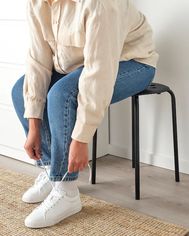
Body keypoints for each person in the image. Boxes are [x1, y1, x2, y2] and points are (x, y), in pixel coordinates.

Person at [11, 0, 158, 229]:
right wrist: (34, 127)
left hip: (131, 62)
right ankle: (52, 171)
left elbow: (99, 71)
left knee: (62, 94)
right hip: (77, 66)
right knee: (20, 90)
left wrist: (81, 139)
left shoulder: (101, 4)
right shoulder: (37, 3)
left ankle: (66, 191)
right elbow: (38, 62)